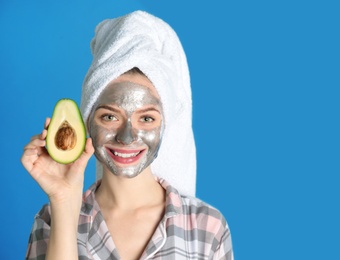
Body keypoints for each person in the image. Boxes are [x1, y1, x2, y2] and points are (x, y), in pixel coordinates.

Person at [22, 10, 233, 260]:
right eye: (110, 117)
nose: (127, 136)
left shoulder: (207, 228)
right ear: (87, 121)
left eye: (146, 118)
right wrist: (64, 200)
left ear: (165, 125)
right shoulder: (50, 221)